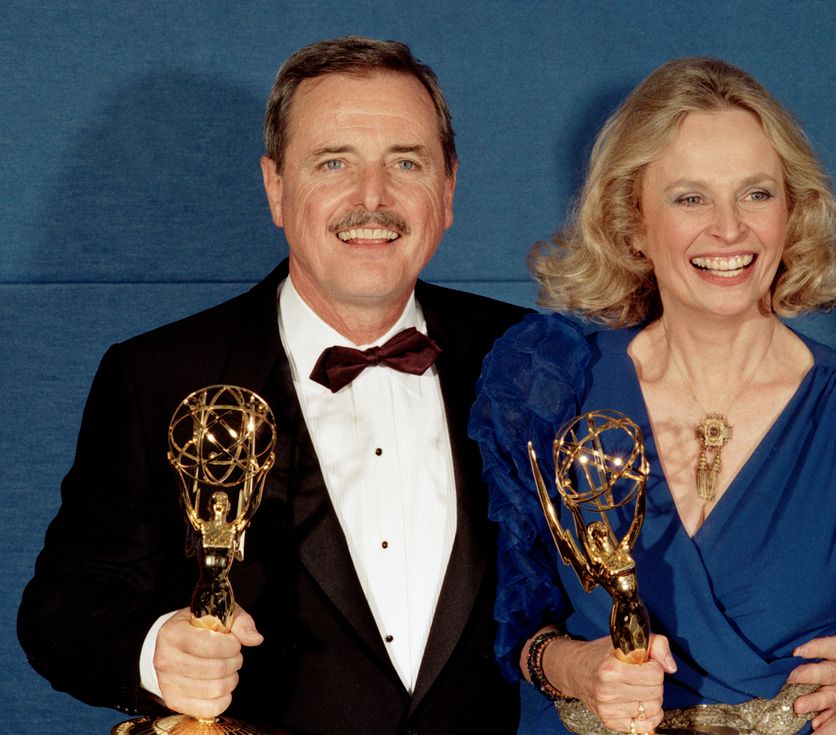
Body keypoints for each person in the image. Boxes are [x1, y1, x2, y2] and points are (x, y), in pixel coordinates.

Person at [469, 57, 836, 735]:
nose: (729, 228)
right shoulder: (548, 386)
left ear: (793, 210)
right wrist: (580, 669)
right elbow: (512, 624)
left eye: (756, 193)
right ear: (632, 223)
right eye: (690, 197)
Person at [18, 37, 530, 735]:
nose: (372, 198)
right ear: (276, 188)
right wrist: (153, 650)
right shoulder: (157, 377)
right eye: (333, 162)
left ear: (447, 191)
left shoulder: (528, 357)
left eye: (405, 162)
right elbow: (62, 607)